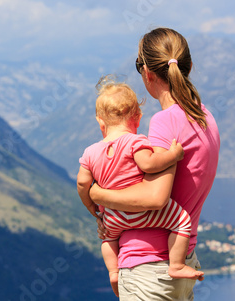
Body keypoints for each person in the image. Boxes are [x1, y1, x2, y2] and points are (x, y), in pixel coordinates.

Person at [89, 27, 220, 300]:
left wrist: (98, 195)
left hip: (148, 267)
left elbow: (155, 197)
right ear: (189, 66)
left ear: (147, 73)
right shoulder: (206, 117)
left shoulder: (165, 120)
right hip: (181, 257)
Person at [77, 79, 204, 297]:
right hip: (144, 214)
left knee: (108, 238)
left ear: (101, 123)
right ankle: (176, 265)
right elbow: (149, 164)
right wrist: (173, 155)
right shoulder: (136, 142)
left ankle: (113, 272)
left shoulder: (90, 152)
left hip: (115, 218)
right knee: (182, 220)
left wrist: (91, 205)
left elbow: (82, 183)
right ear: (137, 118)